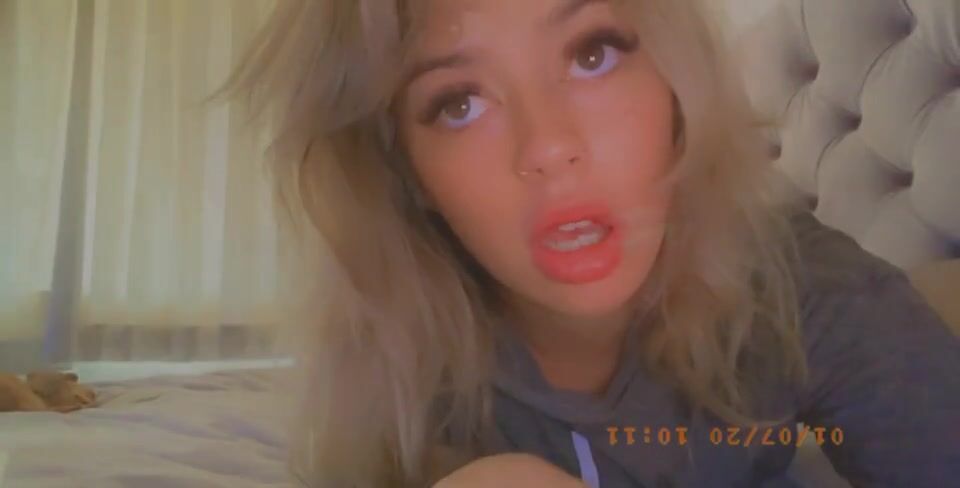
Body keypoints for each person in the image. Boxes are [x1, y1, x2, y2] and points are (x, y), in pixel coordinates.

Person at [223, 0, 960, 486]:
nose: (548, 147)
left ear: (677, 88)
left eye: (592, 54)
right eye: (460, 103)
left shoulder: (813, 289)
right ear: (410, 178)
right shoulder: (395, 358)